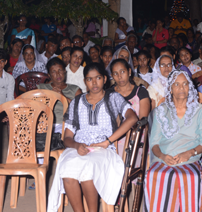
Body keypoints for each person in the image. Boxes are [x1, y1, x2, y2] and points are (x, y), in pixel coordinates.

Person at [47, 63, 138, 212]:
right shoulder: (76, 102)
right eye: (89, 79)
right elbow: (67, 138)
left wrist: (107, 141)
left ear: (104, 79)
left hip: (103, 149)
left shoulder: (113, 98)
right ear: (84, 82)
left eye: (98, 78)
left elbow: (132, 118)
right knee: (67, 170)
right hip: (79, 147)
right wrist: (77, 146)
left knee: (88, 170)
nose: (94, 83)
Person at [144, 70, 202, 212]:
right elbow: (154, 143)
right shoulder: (160, 111)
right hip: (164, 158)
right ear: (170, 89)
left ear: (190, 87)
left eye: (185, 84)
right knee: (156, 174)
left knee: (189, 176)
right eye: (176, 84)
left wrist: (189, 153)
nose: (181, 88)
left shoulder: (200, 111)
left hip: (189, 159)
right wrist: (162, 156)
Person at [38, 58, 82, 134]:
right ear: (49, 75)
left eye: (60, 70)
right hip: (45, 124)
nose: (58, 74)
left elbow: (80, 109)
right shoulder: (41, 88)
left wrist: (62, 96)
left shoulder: (75, 89)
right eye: (54, 72)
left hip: (66, 124)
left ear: (65, 71)